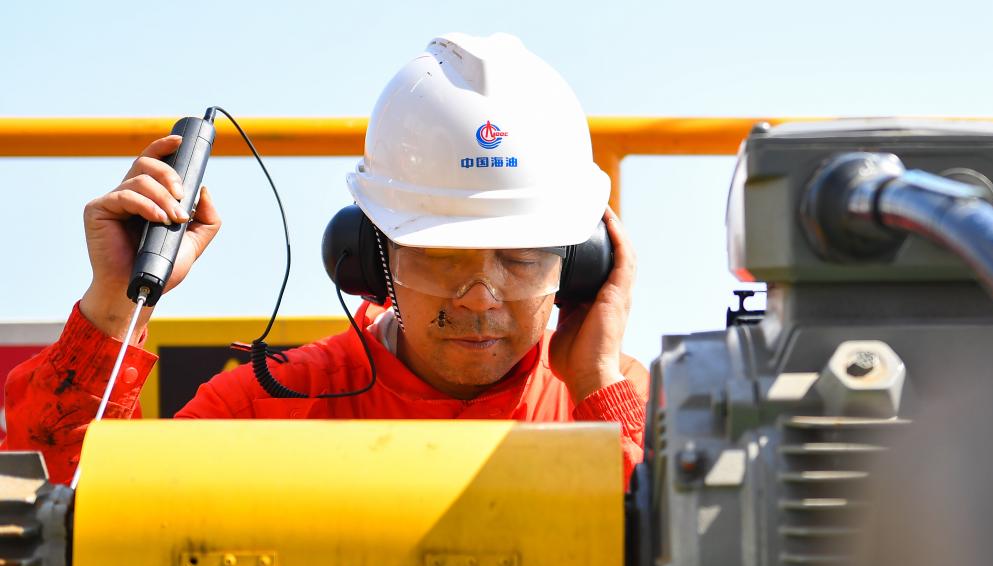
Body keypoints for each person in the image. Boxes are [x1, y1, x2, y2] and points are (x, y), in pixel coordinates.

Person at [1, 33, 647, 488]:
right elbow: (58, 528)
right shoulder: (267, 411)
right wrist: (115, 308)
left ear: (580, 266)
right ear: (371, 256)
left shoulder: (611, 404)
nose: (481, 296)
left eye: (521, 259)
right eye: (443, 256)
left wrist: (598, 386)